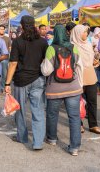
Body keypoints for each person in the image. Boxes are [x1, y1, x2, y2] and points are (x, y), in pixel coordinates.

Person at [4, 16, 48, 150]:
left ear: (21, 26)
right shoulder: (42, 42)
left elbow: (13, 64)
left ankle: (22, 137)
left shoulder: (17, 42)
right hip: (38, 79)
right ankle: (38, 142)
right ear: (34, 25)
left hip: (21, 80)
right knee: (38, 111)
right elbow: (46, 61)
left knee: (21, 111)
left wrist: (7, 83)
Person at [41, 24, 83, 156]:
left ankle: (52, 138)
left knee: (52, 114)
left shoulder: (51, 49)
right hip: (73, 88)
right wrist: (80, 85)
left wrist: (42, 63)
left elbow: (46, 70)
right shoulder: (74, 48)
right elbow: (79, 66)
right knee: (74, 117)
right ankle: (74, 147)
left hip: (55, 89)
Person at [71, 25, 100, 134]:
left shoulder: (89, 45)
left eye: (86, 32)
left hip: (90, 74)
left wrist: (95, 60)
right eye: (84, 32)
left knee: (92, 101)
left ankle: (93, 124)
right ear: (78, 33)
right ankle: (78, 124)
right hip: (78, 75)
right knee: (77, 101)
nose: (86, 34)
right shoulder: (73, 46)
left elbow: (92, 60)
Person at [0, 25, 12, 94]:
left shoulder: (7, 38)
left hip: (5, 59)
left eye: (3, 29)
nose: (2, 30)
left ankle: (2, 88)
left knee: (4, 74)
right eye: (1, 29)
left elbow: (10, 48)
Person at [92, 27, 100, 94]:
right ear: (96, 33)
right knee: (96, 73)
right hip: (95, 59)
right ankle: (97, 89)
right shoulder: (92, 39)